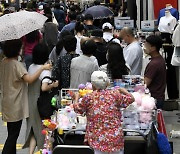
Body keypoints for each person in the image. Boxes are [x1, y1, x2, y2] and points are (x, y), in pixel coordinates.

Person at [0, 39, 51, 154]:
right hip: (16, 103)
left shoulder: (3, 61)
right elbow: (30, 79)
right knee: (13, 136)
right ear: (16, 50)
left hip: (6, 101)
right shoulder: (16, 65)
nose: (22, 49)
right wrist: (42, 68)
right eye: (21, 47)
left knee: (11, 132)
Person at [73, 71, 134, 154]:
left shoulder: (89, 97)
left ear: (93, 85)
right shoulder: (114, 95)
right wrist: (123, 90)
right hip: (115, 140)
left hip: (97, 140)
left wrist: (76, 98)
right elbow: (131, 99)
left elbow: (78, 109)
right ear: (107, 84)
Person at [23, 43, 58, 154]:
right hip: (40, 102)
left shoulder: (31, 67)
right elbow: (44, 87)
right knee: (43, 128)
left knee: (34, 128)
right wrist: (53, 85)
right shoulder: (45, 70)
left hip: (30, 99)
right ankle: (43, 151)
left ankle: (31, 152)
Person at [144, 35, 166, 109]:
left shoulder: (154, 64)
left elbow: (145, 83)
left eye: (146, 45)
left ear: (153, 48)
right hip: (159, 97)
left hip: (154, 98)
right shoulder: (159, 60)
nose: (144, 47)